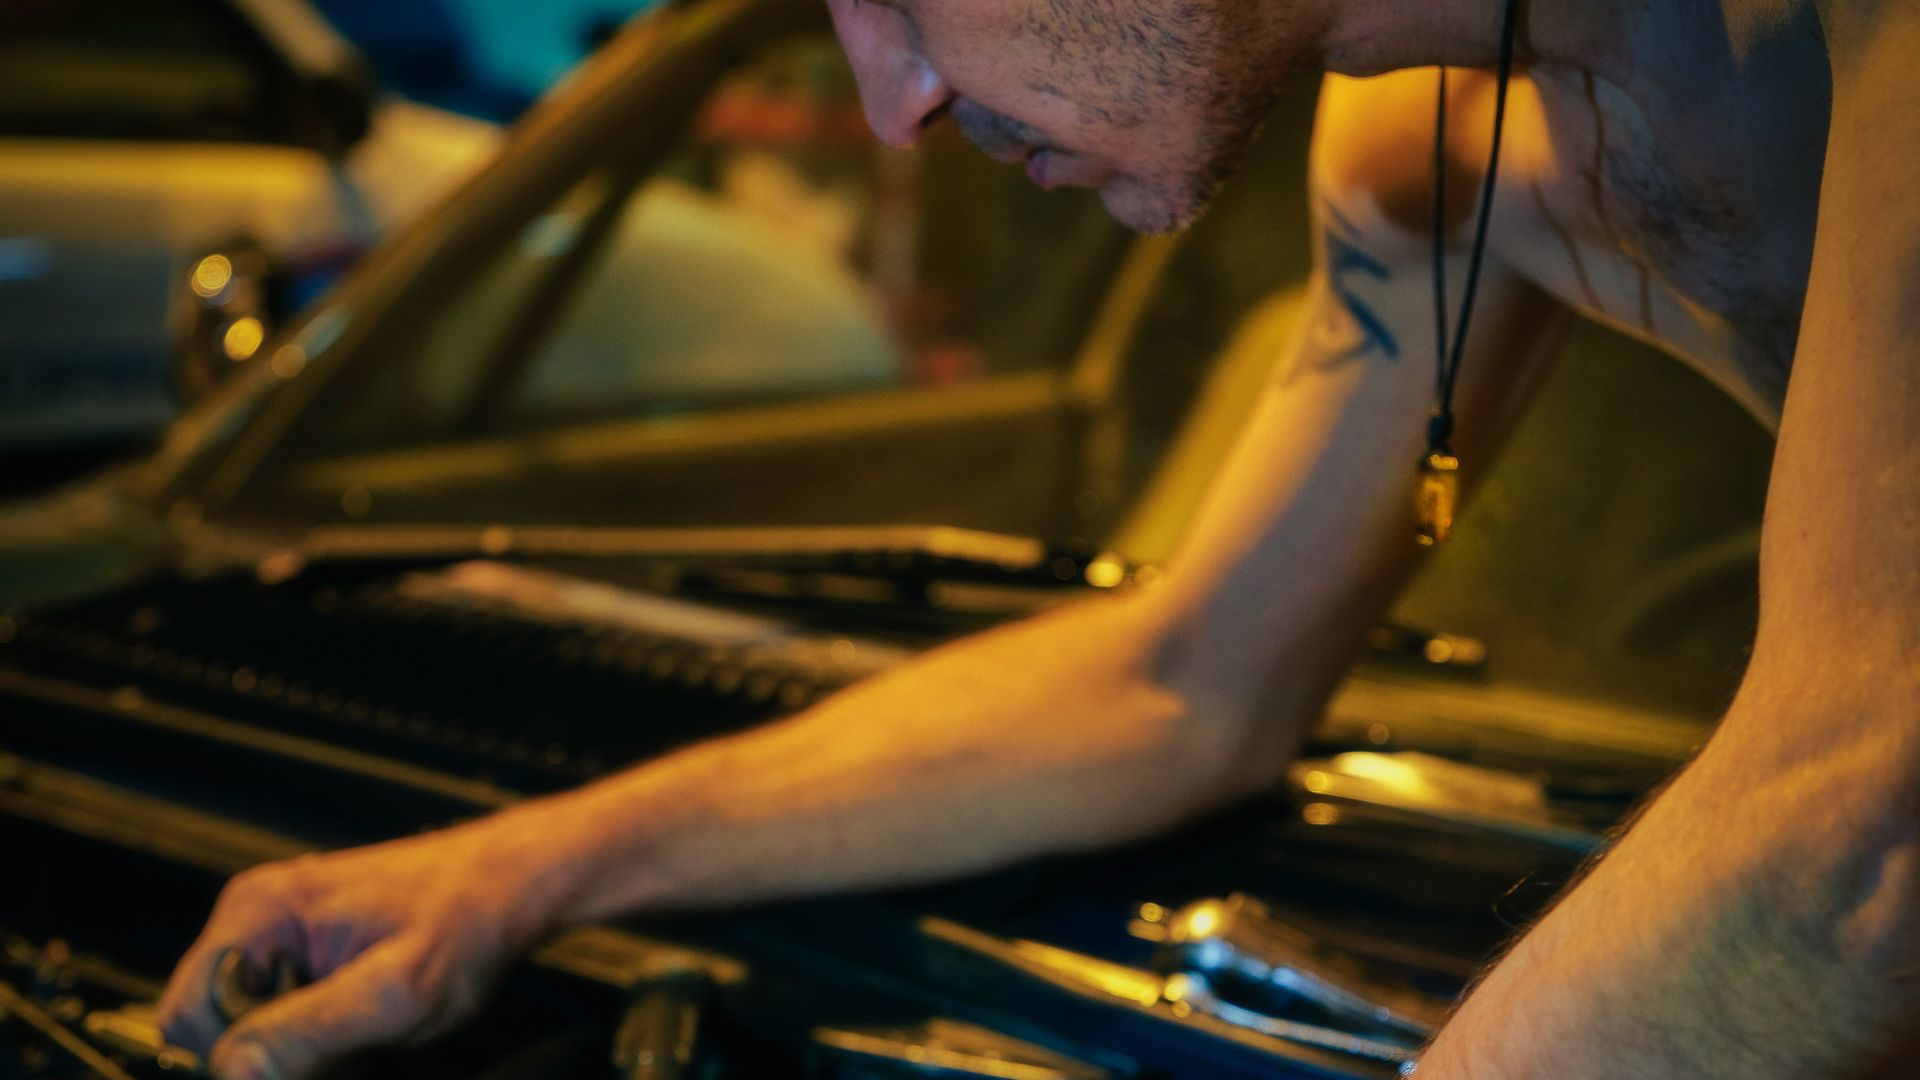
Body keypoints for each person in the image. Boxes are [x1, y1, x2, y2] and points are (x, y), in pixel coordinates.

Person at [158, 0, 1919, 1076]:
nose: (886, 109)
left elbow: (1866, 810)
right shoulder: (1418, 152)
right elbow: (1181, 680)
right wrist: (517, 873)